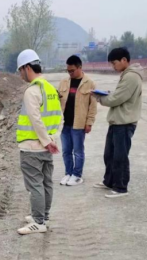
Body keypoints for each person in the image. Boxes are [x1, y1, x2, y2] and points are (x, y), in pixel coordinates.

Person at [16, 49, 62, 235]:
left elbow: (35, 120)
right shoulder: (50, 89)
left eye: (20, 70)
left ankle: (38, 221)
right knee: (46, 183)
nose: (20, 75)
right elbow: (59, 117)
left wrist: (44, 141)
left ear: (27, 68)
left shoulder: (32, 91)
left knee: (35, 184)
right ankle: (44, 216)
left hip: (32, 147)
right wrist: (52, 140)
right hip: (47, 146)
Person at [93, 47, 143, 198]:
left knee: (120, 156)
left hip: (124, 123)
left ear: (124, 60)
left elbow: (117, 98)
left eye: (114, 63)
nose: (113, 66)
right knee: (109, 155)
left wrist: (100, 98)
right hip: (117, 121)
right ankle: (109, 181)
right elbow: (118, 95)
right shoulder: (126, 75)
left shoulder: (132, 77)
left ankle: (121, 187)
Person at [57, 55, 98, 186]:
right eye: (68, 71)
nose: (70, 73)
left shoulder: (89, 83)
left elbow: (93, 105)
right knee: (66, 151)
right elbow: (58, 101)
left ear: (80, 67)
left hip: (79, 124)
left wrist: (89, 122)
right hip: (65, 123)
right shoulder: (64, 82)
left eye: (72, 70)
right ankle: (68, 173)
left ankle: (77, 175)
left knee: (78, 151)